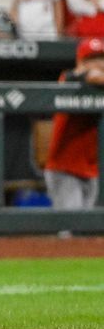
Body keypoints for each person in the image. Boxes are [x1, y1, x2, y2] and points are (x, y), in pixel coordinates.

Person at [44, 38, 104, 210]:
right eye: (92, 59)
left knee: (89, 232)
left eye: (102, 58)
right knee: (70, 231)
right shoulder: (69, 79)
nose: (99, 63)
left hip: (93, 170)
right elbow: (91, 76)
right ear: (80, 62)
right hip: (64, 169)